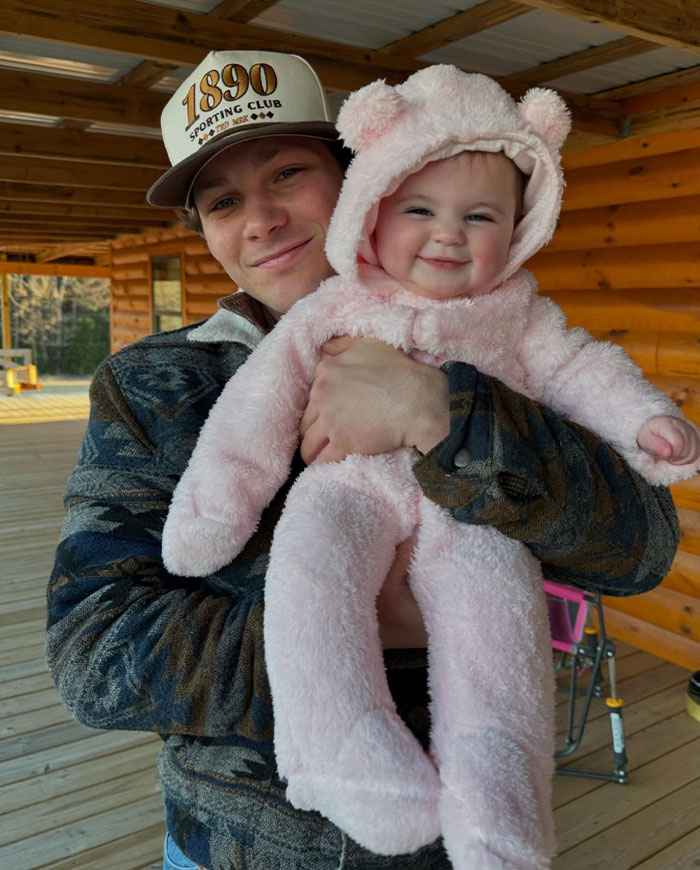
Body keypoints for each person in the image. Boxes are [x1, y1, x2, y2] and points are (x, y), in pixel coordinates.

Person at [45, 50, 683, 870]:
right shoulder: (149, 384)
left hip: (456, 845)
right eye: (223, 201)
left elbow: (643, 546)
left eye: (287, 173)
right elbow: (94, 651)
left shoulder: (500, 337)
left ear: (360, 176)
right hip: (235, 845)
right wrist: (357, 627)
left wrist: (438, 411)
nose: (260, 219)